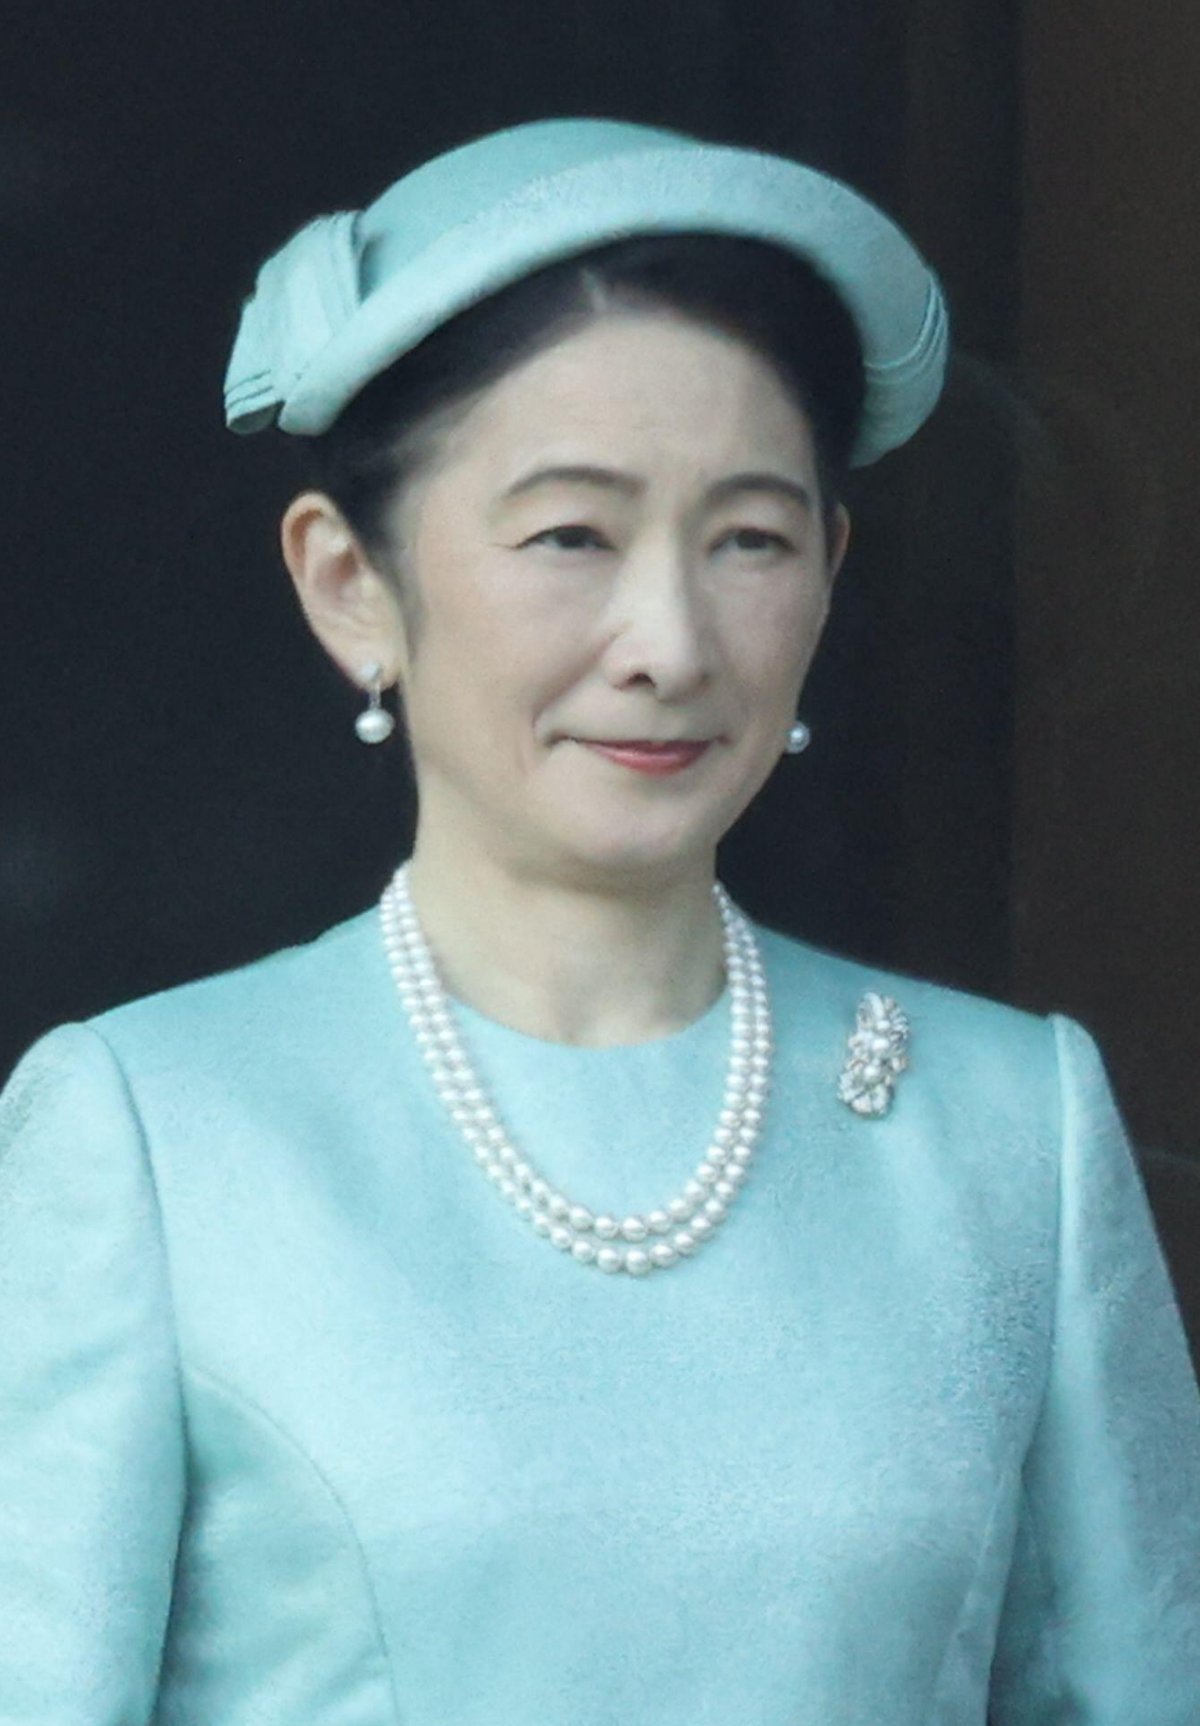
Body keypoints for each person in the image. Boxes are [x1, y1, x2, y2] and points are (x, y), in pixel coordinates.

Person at [1, 115, 1197, 1725]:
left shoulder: (1010, 1127)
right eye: (572, 533)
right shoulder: (150, 1132)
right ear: (350, 582)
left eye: (751, 540)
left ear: (831, 572)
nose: (670, 638)